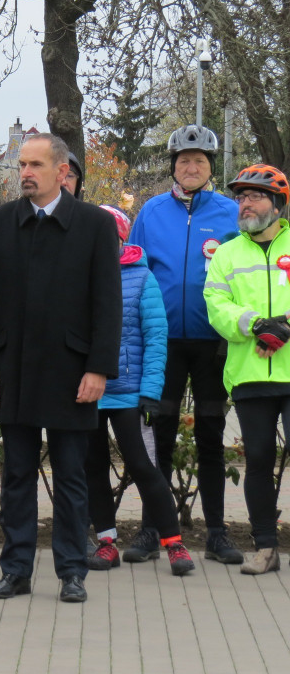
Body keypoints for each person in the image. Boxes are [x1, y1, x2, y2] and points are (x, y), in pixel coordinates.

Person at [0, 133, 121, 604]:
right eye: (22, 165)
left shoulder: (94, 225)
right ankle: (15, 569)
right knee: (16, 476)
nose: (26, 173)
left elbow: (107, 304)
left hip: (71, 372)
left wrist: (98, 368)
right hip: (11, 371)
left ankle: (72, 571)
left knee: (72, 476)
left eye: (36, 164)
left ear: (63, 171)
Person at [127, 124, 243, 565]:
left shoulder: (231, 213)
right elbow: (134, 273)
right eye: (183, 162)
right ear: (173, 167)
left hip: (213, 343)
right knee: (159, 440)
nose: (191, 168)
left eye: (199, 161)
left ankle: (216, 533)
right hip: (164, 344)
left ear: (210, 167)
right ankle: (152, 531)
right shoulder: (151, 213)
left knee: (212, 439)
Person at [85, 205, 194, 576]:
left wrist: (151, 392)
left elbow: (156, 337)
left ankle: (173, 543)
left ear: (120, 238)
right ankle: (106, 543)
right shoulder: (75, 278)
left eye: (108, 237)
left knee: (145, 468)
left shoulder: (141, 278)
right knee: (93, 471)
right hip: (86, 394)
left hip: (130, 394)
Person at [204, 164, 290, 575]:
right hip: (250, 373)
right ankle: (266, 548)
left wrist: (286, 325)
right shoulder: (226, 253)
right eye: (241, 197)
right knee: (256, 459)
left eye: (254, 196)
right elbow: (216, 307)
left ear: (277, 204)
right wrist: (256, 324)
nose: (245, 204)